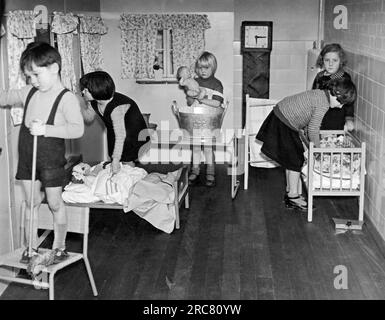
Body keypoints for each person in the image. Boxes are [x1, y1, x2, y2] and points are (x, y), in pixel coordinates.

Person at [0, 42, 84, 263]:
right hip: (28, 157)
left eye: (36, 74)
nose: (33, 81)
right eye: (29, 76)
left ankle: (59, 247)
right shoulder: (29, 92)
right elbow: (5, 97)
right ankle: (31, 247)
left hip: (51, 159)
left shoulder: (66, 98)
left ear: (54, 68)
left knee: (55, 203)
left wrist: (46, 129)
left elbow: (77, 129)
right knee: (31, 202)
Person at [256, 78, 357, 210]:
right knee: (295, 160)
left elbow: (307, 122)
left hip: (282, 116)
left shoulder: (320, 94)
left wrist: (309, 144)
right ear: (335, 94)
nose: (341, 106)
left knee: (290, 159)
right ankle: (293, 197)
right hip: (284, 121)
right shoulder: (323, 103)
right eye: (341, 102)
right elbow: (313, 129)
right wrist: (318, 150)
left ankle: (290, 192)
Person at [79, 71, 149, 174]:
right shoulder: (94, 101)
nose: (82, 92)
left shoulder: (117, 107)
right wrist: (77, 106)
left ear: (96, 90)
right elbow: (88, 118)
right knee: (114, 155)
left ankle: (131, 182)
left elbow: (121, 135)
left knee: (126, 161)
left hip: (132, 134)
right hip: (115, 131)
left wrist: (115, 161)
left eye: (86, 90)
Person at [184, 51, 224, 187]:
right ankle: (195, 170)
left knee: (207, 148)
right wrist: (190, 95)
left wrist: (202, 99)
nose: (203, 71)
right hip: (195, 118)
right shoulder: (195, 82)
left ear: (213, 68)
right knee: (195, 147)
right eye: (200, 68)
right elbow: (189, 103)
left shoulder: (217, 84)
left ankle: (210, 171)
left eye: (206, 68)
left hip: (209, 120)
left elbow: (217, 103)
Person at [312, 43, 355, 131]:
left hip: (336, 118)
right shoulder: (320, 76)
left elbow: (349, 101)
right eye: (327, 60)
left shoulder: (343, 77)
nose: (330, 64)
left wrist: (349, 119)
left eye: (335, 60)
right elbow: (313, 95)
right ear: (322, 60)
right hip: (319, 117)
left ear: (341, 61)